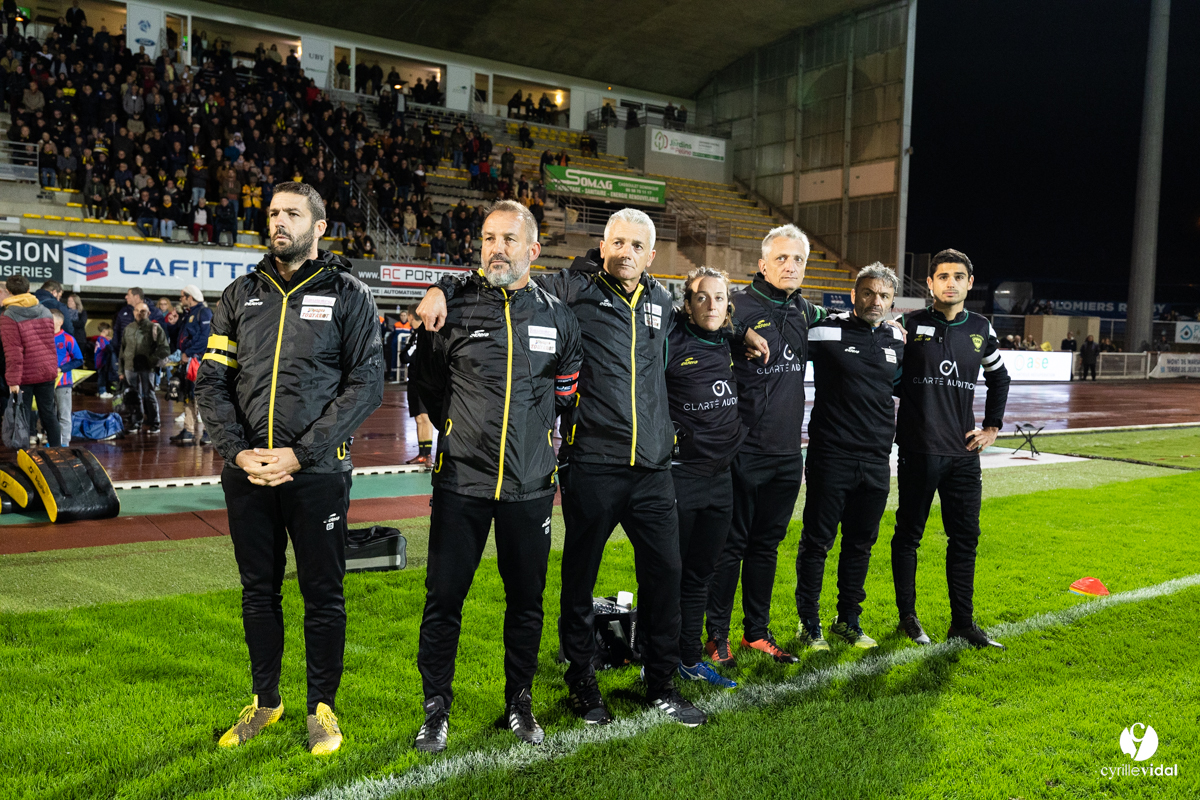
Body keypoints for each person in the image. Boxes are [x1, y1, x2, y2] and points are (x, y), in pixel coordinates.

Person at [417, 208, 712, 728]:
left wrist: (738, 336)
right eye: (616, 241)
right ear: (602, 245)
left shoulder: (663, 302)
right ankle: (581, 680)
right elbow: (502, 270)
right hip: (591, 463)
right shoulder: (569, 290)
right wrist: (444, 284)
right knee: (578, 581)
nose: (625, 251)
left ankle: (661, 682)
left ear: (652, 253)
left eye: (636, 245)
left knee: (666, 576)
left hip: (652, 468)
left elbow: (706, 330)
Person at [197, 182, 384, 757]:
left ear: (319, 227)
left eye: (292, 214)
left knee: (323, 595)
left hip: (318, 472)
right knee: (258, 591)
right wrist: (237, 450)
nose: (279, 221)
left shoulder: (350, 294)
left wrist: (301, 454)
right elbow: (212, 380)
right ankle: (266, 700)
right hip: (249, 470)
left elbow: (366, 384)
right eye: (274, 212)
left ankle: (321, 708)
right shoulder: (238, 295)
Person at [409, 200, 583, 753]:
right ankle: (436, 709)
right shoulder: (454, 308)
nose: (496, 249)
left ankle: (520, 701)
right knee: (443, 600)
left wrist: (536, 444)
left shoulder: (558, 316)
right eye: (487, 238)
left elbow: (565, 393)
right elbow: (428, 385)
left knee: (526, 602)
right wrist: (455, 433)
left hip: (530, 487)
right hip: (461, 482)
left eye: (508, 239)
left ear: (532, 250)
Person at [705, 224, 829, 667]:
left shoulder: (805, 313)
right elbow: (699, 324)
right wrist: (738, 334)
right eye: (781, 258)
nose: (790, 266)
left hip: (786, 453)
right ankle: (715, 636)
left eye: (797, 259)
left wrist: (889, 325)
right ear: (762, 264)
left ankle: (756, 632)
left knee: (766, 546)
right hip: (741, 449)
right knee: (729, 545)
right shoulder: (735, 304)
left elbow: (847, 327)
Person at [891, 249, 1011, 650]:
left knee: (965, 539)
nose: (950, 282)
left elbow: (1000, 378)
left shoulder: (981, 327)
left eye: (958, 276)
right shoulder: (909, 325)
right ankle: (908, 618)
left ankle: (963, 623)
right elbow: (888, 378)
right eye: (942, 276)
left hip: (962, 454)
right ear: (930, 283)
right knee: (908, 536)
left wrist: (992, 427)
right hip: (918, 450)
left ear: (969, 283)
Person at [794, 264, 904, 652]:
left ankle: (849, 620)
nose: (876, 301)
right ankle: (809, 623)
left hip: (876, 459)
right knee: (817, 542)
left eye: (884, 296)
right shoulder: (824, 331)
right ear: (854, 294)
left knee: (860, 543)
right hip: (831, 455)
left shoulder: (895, 337)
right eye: (869, 293)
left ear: (892, 302)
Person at [664, 267, 747, 689]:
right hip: (680, 478)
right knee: (668, 574)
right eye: (702, 297)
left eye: (719, 298)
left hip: (721, 481)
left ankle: (690, 658)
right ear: (687, 303)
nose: (711, 305)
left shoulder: (731, 342)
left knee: (700, 574)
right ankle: (656, 659)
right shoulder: (670, 341)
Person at [0, 275, 61, 447]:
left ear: (9, 292)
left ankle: (25, 458)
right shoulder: (45, 311)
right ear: (28, 290)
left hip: (25, 376)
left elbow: (13, 351)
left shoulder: (9, 315)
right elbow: (50, 343)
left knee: (23, 418)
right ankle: (59, 454)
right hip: (47, 371)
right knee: (49, 414)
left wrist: (12, 381)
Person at [170, 285, 212, 446]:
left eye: (182, 296)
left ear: (190, 297)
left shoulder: (204, 312)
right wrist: (173, 325)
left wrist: (189, 353)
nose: (180, 299)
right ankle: (188, 430)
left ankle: (209, 433)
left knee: (203, 397)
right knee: (189, 395)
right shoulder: (188, 314)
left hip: (198, 361)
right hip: (188, 361)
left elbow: (206, 337)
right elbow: (179, 338)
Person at [118, 301, 169, 433]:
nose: (139, 313)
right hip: (130, 367)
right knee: (134, 396)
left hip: (147, 368)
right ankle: (136, 422)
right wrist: (120, 370)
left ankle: (154, 422)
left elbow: (164, 349)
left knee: (149, 395)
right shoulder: (128, 328)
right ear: (133, 312)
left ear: (148, 313)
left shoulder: (155, 328)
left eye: (143, 311)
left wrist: (151, 360)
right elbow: (122, 350)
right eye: (137, 310)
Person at [51, 308, 83, 446]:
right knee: (50, 415)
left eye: (50, 319)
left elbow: (79, 360)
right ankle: (53, 441)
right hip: (46, 383)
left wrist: (61, 369)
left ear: (60, 322)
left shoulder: (68, 339)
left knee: (63, 414)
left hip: (63, 383)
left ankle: (64, 443)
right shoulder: (43, 338)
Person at [94, 322, 116, 398]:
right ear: (104, 330)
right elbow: (106, 348)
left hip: (101, 361)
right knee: (102, 377)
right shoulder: (102, 340)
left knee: (102, 376)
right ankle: (102, 391)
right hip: (101, 361)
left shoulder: (101, 339)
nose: (109, 331)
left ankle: (101, 391)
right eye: (108, 330)